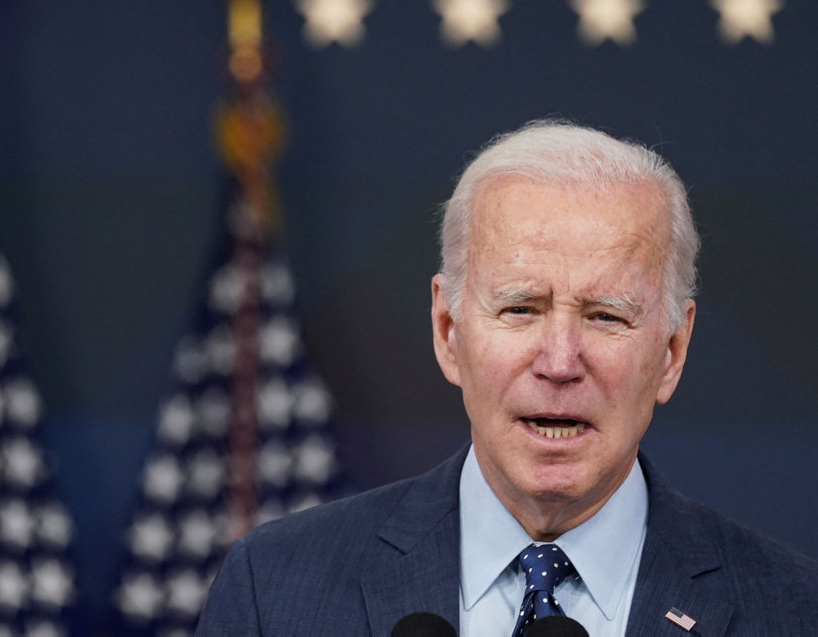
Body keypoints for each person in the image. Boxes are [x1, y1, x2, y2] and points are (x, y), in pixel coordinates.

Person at [195, 120, 818, 636]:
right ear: (448, 331)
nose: (560, 361)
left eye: (606, 316)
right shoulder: (272, 592)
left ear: (672, 350)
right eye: (521, 309)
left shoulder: (793, 610)